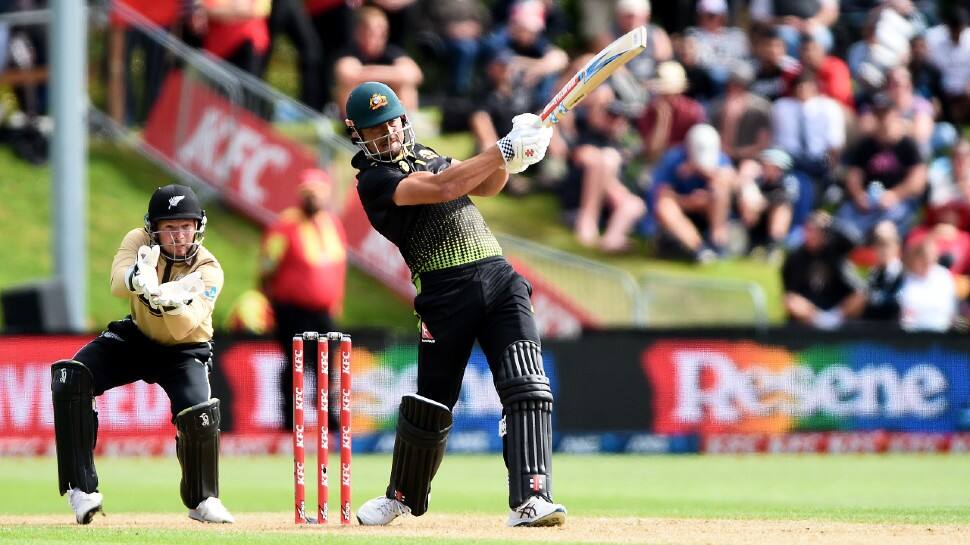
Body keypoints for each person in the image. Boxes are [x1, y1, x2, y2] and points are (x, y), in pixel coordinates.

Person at [344, 81, 565, 527]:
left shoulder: (425, 152)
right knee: (433, 404)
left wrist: (518, 156)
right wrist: (502, 148)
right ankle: (401, 496)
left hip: (499, 275)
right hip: (445, 292)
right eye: (375, 131)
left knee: (528, 385)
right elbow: (445, 188)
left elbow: (486, 185)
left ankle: (531, 499)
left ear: (404, 119)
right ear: (358, 137)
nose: (387, 135)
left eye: (391, 124)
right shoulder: (375, 181)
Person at [50, 185, 233, 524]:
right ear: (154, 229)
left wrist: (168, 302)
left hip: (184, 350)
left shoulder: (209, 269)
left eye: (185, 226)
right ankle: (81, 491)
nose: (178, 236)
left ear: (198, 227)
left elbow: (184, 328)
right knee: (71, 376)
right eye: (170, 227)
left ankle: (203, 499)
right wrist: (137, 278)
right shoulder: (137, 241)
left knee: (198, 412)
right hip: (135, 338)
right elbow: (117, 283)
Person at [259, 168, 347, 430]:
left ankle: (328, 416)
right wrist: (269, 299)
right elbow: (267, 264)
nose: (313, 199)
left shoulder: (332, 224)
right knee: (296, 362)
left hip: (324, 310)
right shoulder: (285, 225)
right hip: (291, 309)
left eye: (318, 193)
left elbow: (338, 268)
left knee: (326, 364)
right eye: (308, 193)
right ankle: (290, 419)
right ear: (300, 195)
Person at [782, 212, 865, 330]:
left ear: (824, 233)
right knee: (791, 301)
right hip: (810, 311)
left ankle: (832, 323)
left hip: (837, 310)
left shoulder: (836, 248)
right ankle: (820, 324)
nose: (811, 235)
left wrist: (832, 222)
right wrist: (814, 314)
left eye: (816, 231)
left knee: (860, 296)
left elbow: (857, 241)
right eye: (808, 230)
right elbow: (790, 293)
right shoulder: (795, 257)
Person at [334, 7, 423, 115]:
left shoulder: (392, 52)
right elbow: (347, 75)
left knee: (406, 86)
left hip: (388, 105)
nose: (378, 36)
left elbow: (415, 75)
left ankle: (404, 123)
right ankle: (354, 126)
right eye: (371, 31)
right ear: (359, 31)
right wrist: (394, 74)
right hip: (361, 106)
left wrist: (365, 73)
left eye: (382, 31)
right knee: (348, 87)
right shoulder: (349, 52)